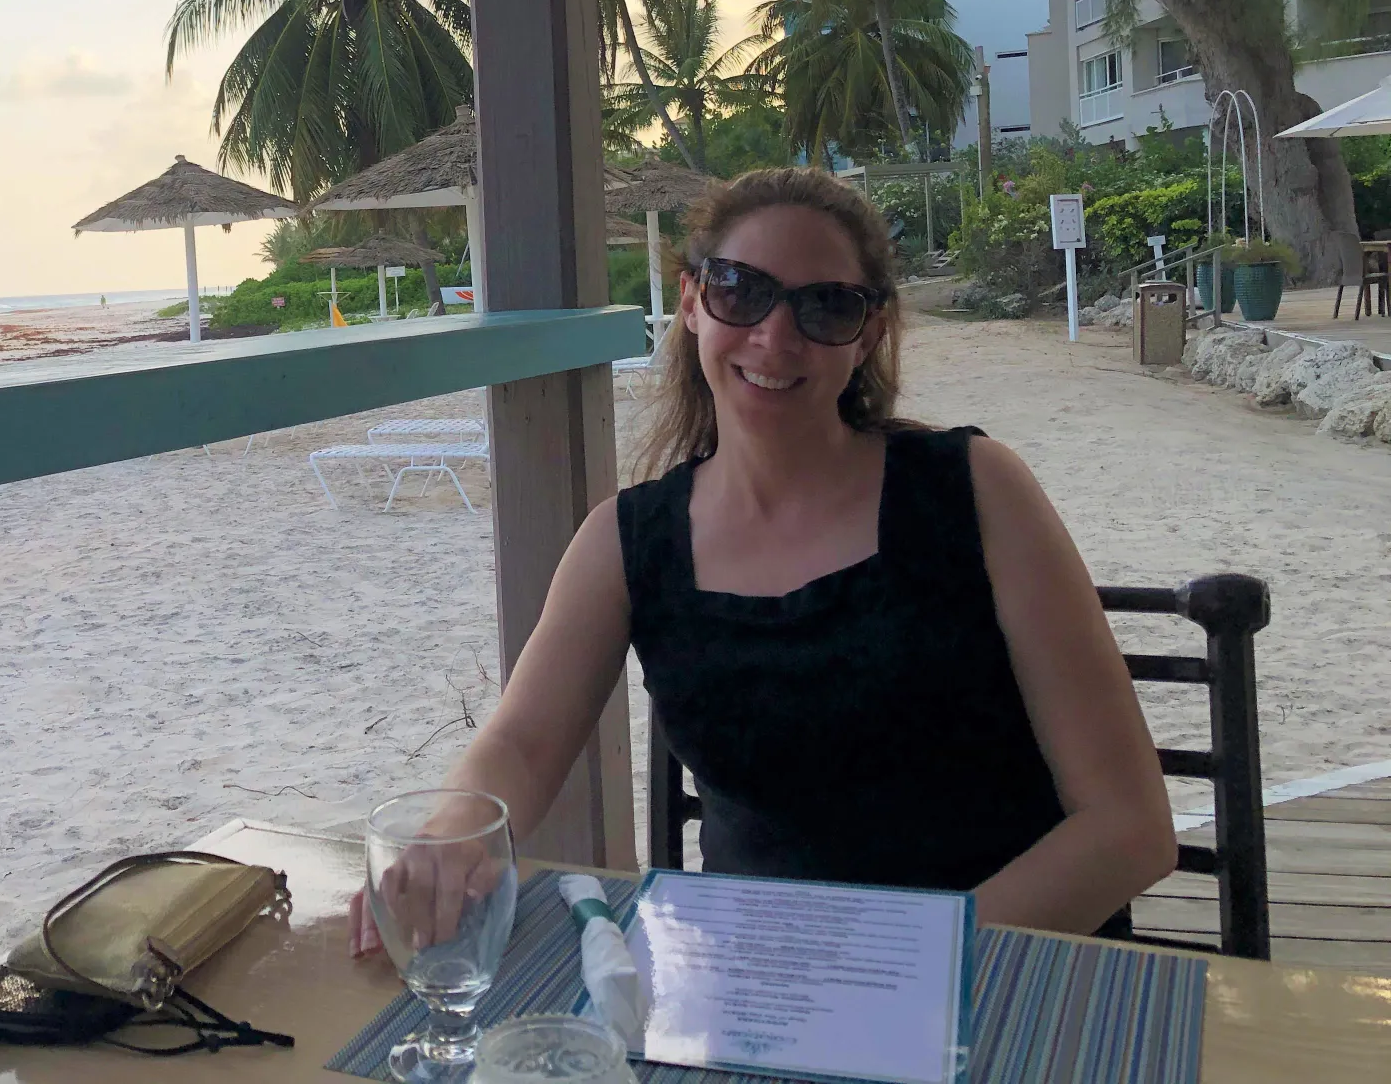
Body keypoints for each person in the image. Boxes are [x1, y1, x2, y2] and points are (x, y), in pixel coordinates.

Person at [352, 166, 1174, 958]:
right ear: (691, 302)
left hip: (1001, 966)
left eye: (826, 305)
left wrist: (906, 969)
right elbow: (524, 743)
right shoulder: (629, 542)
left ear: (869, 333)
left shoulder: (975, 491)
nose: (775, 337)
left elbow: (1128, 828)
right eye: (740, 290)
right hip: (754, 978)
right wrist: (449, 835)